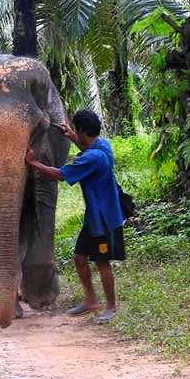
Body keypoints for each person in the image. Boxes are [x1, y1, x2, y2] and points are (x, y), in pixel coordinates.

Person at [24, 110, 125, 324]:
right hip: (96, 217)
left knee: (102, 262)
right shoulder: (102, 145)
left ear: (82, 131)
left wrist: (34, 164)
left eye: (75, 130)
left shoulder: (92, 158)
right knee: (80, 258)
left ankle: (111, 307)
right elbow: (87, 149)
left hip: (103, 220)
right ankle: (90, 300)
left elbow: (60, 175)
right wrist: (72, 137)